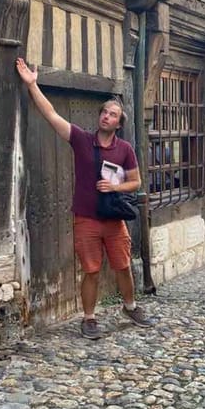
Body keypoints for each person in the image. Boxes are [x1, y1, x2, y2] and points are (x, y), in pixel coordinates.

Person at [15, 58, 153, 339]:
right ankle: (89, 318)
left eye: (113, 114)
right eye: (104, 112)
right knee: (91, 271)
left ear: (118, 123)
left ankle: (130, 306)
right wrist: (32, 85)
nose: (107, 116)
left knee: (123, 266)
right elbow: (52, 114)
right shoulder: (81, 139)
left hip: (114, 220)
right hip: (86, 218)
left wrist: (115, 188)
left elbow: (136, 182)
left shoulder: (124, 149)